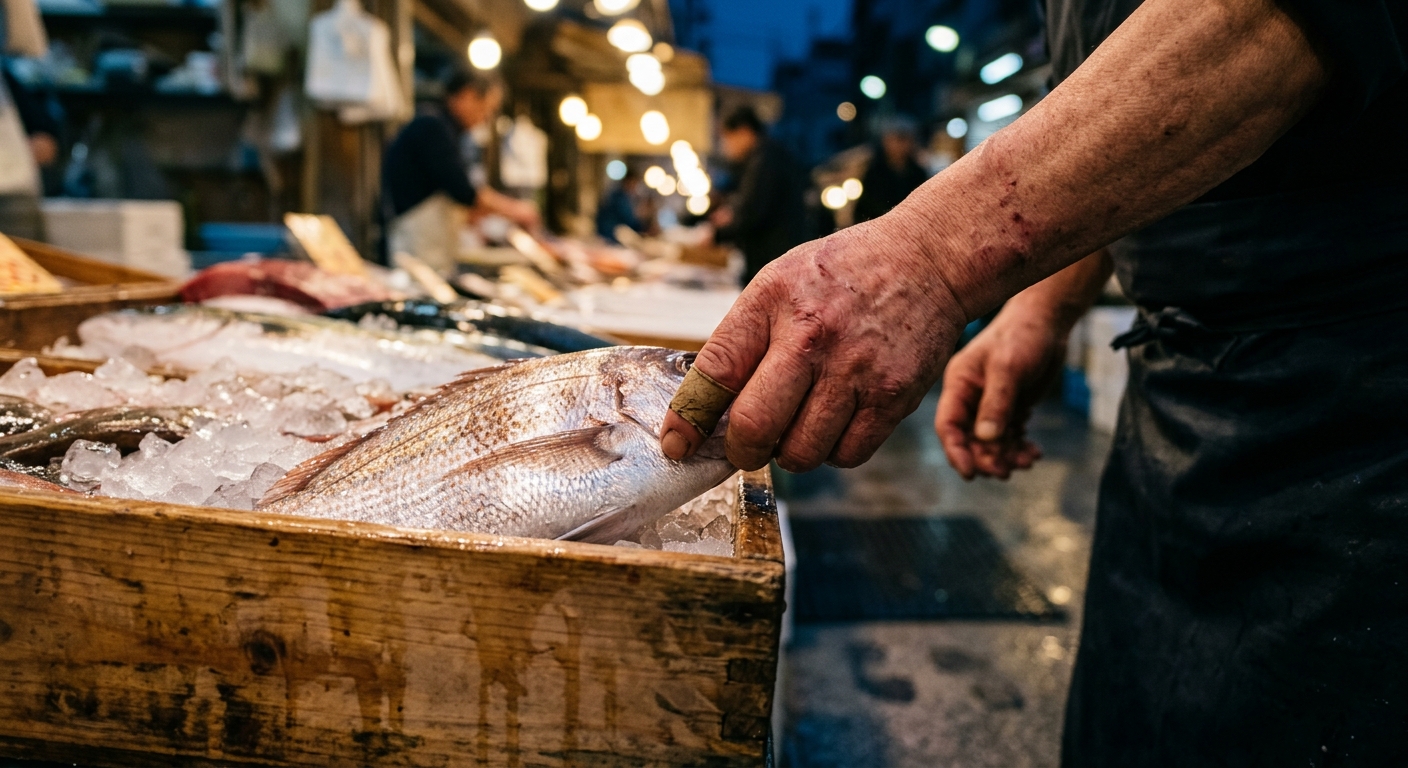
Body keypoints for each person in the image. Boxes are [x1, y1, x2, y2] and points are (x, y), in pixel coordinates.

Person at [660, 0, 1408, 763]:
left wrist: (930, 258)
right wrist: (1044, 301)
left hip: (1364, 403)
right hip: (1182, 399)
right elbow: (1125, 77)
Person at [381, 70, 539, 272]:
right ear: (467, 95)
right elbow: (464, 192)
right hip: (416, 247)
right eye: (486, 109)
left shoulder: (446, 130)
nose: (485, 119)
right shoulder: (432, 126)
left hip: (430, 247)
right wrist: (518, 210)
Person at [710, 106, 805, 285]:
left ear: (744, 132)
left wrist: (717, 234)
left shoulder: (765, 159)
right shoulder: (765, 155)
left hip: (774, 259)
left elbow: (752, 212)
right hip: (774, 257)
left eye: (727, 138)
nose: (726, 146)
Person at [852, 115, 930, 223]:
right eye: (896, 139)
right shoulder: (874, 172)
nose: (900, 146)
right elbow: (863, 208)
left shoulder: (918, 173)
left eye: (905, 139)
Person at [595, 167, 643, 243]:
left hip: (609, 236)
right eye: (634, 183)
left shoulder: (618, 195)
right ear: (628, 181)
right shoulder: (619, 197)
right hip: (609, 237)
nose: (635, 187)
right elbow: (629, 219)